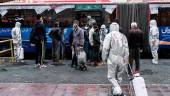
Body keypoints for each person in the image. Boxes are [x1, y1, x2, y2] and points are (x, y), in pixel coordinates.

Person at [102, 22, 129, 96]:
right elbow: (126, 49)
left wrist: (103, 58)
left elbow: (105, 48)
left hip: (112, 58)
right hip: (122, 59)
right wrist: (126, 60)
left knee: (111, 76)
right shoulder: (123, 36)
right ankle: (115, 91)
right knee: (119, 76)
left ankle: (118, 90)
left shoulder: (109, 35)